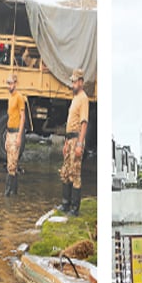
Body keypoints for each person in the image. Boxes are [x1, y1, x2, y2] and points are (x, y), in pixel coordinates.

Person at [57, 68, 89, 216]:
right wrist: (66, 142)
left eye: (75, 81)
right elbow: (70, 122)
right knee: (66, 171)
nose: (73, 84)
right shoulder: (75, 98)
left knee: (75, 173)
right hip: (69, 138)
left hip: (76, 138)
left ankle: (75, 208)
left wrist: (79, 144)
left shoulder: (83, 99)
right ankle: (66, 203)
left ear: (81, 82)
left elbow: (83, 123)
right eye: (72, 82)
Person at [4, 74, 25, 196]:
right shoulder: (10, 97)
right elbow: (10, 116)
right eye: (7, 83)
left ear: (15, 84)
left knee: (12, 165)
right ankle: (14, 192)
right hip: (9, 132)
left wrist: (19, 136)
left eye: (10, 83)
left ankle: (7, 193)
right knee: (11, 164)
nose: (9, 86)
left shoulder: (19, 97)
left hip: (16, 132)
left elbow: (23, 117)